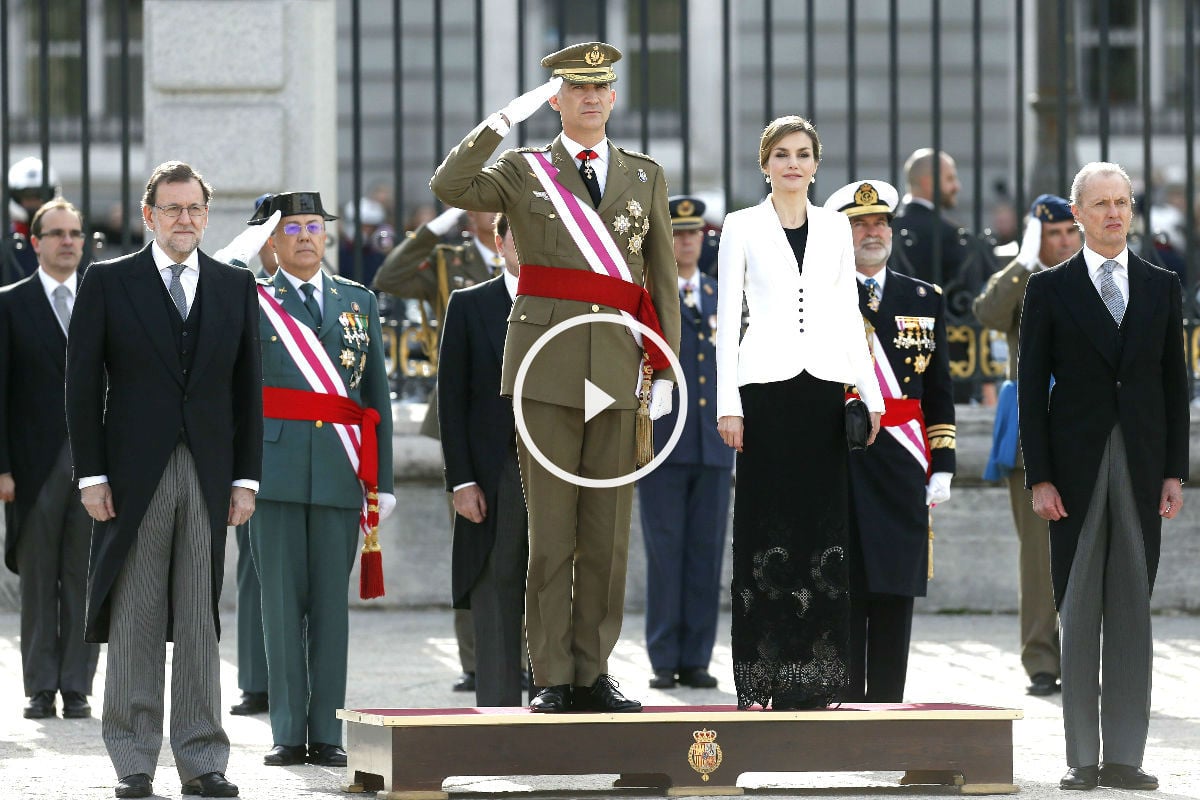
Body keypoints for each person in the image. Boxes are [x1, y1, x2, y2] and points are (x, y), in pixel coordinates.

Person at [430, 41, 680, 714]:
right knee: (551, 532)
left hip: (619, 370)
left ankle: (593, 670)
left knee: (607, 533)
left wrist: (662, 373)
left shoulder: (644, 176)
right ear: (557, 99)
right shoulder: (523, 169)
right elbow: (450, 186)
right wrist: (501, 120)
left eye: (601, 88)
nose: (590, 98)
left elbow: (661, 281)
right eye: (576, 89)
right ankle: (551, 674)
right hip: (545, 371)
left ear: (614, 97)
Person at [65, 160, 262, 800]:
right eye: (172, 209)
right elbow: (81, 385)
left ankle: (203, 758)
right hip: (131, 474)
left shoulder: (235, 286)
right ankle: (134, 759)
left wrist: (246, 479)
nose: (185, 220)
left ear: (207, 215)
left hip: (207, 474)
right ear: (149, 215)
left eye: (195, 209)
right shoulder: (108, 281)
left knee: (200, 618)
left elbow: (246, 393)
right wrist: (91, 474)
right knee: (138, 615)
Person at [1018, 162, 1189, 791]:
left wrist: (1175, 470)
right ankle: (1082, 759)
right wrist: (1040, 476)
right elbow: (1031, 392)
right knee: (1080, 603)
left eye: (1123, 202)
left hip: (1143, 466)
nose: (1115, 213)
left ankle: (1125, 756)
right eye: (1102, 204)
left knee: (1130, 612)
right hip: (1076, 468)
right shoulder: (1050, 289)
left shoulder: (1161, 286)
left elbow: (1176, 384)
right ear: (1079, 214)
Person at [715, 116, 883, 711]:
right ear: (765, 164)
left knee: (823, 530)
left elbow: (845, 312)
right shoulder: (740, 226)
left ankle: (819, 674)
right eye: (781, 154)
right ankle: (768, 673)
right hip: (764, 391)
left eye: (803, 154)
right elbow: (725, 320)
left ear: (816, 164)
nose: (792, 164)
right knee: (768, 528)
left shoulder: (836, 229)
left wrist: (870, 392)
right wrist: (728, 404)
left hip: (821, 391)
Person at [247, 191, 395, 768]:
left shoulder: (357, 301)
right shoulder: (252, 299)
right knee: (280, 605)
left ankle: (328, 732)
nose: (306, 236)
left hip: (339, 470)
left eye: (315, 226)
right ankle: (287, 730)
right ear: (274, 240)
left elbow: (374, 394)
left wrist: (380, 479)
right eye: (293, 228)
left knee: (331, 607)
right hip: (275, 471)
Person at [823, 180, 955, 702]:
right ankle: (847, 702)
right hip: (842, 455)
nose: (872, 232)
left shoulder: (924, 298)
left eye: (880, 223)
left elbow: (940, 391)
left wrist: (942, 463)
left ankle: (887, 706)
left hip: (903, 458)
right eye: (860, 224)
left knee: (896, 586)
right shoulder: (821, 296)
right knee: (846, 583)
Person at [374, 204, 500, 693]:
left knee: (531, 541)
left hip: (524, 409)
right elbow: (391, 275)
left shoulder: (532, 250)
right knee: (470, 536)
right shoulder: (450, 262)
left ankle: (530, 654)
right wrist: (434, 228)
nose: (488, 211)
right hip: (464, 408)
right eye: (478, 201)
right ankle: (474, 659)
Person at [973, 194, 1080, 697]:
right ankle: (1042, 659)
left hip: (1086, 430)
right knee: (1038, 558)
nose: (1061, 242)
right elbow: (988, 312)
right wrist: (1025, 259)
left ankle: (1084, 654)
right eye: (1050, 234)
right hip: (1033, 435)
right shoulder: (1028, 280)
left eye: (1066, 232)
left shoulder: (1097, 275)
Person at [0, 198, 99, 720]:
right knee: (37, 579)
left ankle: (77, 685)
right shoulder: (10, 303)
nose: (68, 242)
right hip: (33, 469)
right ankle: (40, 686)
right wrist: (2, 468)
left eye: (75, 234)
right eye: (56, 233)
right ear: (34, 242)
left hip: (93, 468)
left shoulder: (105, 299)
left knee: (84, 575)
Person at [638, 195, 732, 691]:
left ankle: (696, 656)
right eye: (677, 234)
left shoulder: (721, 295)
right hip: (662, 443)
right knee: (665, 550)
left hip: (713, 444)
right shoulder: (647, 298)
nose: (686, 242)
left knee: (706, 551)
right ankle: (663, 656)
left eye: (693, 233)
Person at [437, 213, 529, 707]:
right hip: (495, 472)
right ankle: (497, 705)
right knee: (495, 582)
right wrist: (462, 480)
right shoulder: (470, 305)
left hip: (557, 469)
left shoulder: (568, 302)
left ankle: (555, 696)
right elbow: (451, 401)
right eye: (519, 232)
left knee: (555, 584)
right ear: (499, 241)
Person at [210, 193, 281, 718]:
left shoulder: (335, 294)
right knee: (255, 569)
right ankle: (255, 679)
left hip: (310, 443)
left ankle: (295, 677)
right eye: (279, 231)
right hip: (252, 444)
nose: (294, 240)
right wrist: (247, 244)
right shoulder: (239, 286)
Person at [892, 148, 994, 404]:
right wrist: (988, 378)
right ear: (928, 182)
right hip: (952, 367)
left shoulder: (886, 231)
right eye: (950, 179)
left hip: (892, 361)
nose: (957, 186)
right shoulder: (955, 237)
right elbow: (976, 309)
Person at [4, 156, 60, 283]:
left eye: (39, 196)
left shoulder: (67, 241)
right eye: (27, 196)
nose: (34, 202)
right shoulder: (5, 243)